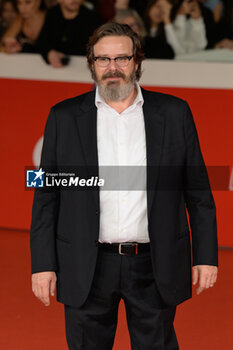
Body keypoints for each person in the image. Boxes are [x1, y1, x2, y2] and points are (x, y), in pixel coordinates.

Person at [30, 22, 218, 350]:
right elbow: (47, 194)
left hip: (154, 263)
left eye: (122, 58)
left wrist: (205, 256)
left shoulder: (174, 113)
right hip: (85, 265)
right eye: (103, 60)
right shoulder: (63, 116)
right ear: (91, 64)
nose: (112, 68)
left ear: (137, 62)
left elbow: (198, 192)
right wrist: (43, 264)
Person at [36, 0, 99, 68]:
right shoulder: (52, 14)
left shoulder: (91, 18)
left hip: (82, 70)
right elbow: (41, 41)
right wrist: (49, 52)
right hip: (54, 71)